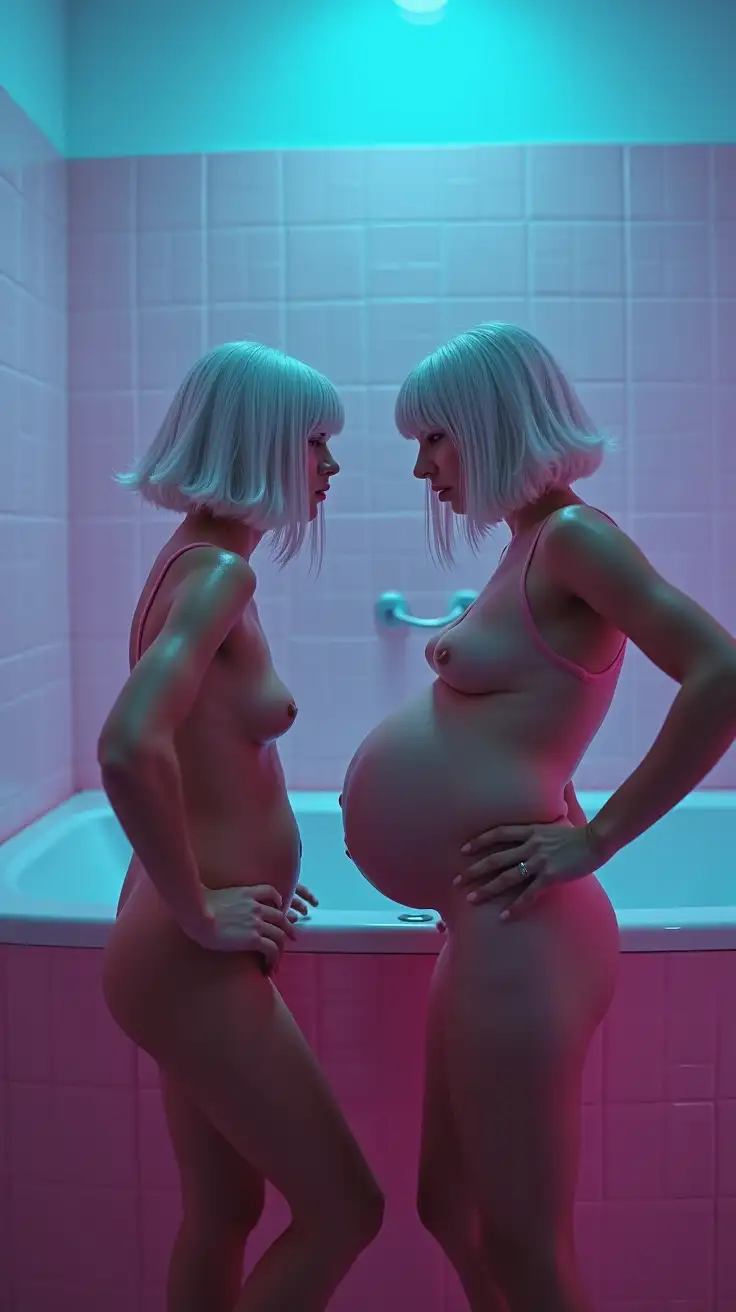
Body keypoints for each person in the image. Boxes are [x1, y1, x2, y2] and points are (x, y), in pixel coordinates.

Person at [340, 322, 736, 1312]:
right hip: (485, 920)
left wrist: (594, 836)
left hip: (526, 930)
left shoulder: (575, 538)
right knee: (449, 1209)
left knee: (521, 1242)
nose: (422, 464)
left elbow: (719, 672)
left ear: (490, 422)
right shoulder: (528, 544)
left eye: (435, 436)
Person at [98, 341, 384, 1312]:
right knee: (347, 1210)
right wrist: (202, 908)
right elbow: (130, 746)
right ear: (262, 444)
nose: (330, 468)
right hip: (190, 952)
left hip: (183, 940)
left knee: (223, 1209)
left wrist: (235, 877)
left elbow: (192, 758)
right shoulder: (218, 575)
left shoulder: (192, 560)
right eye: (316, 443)